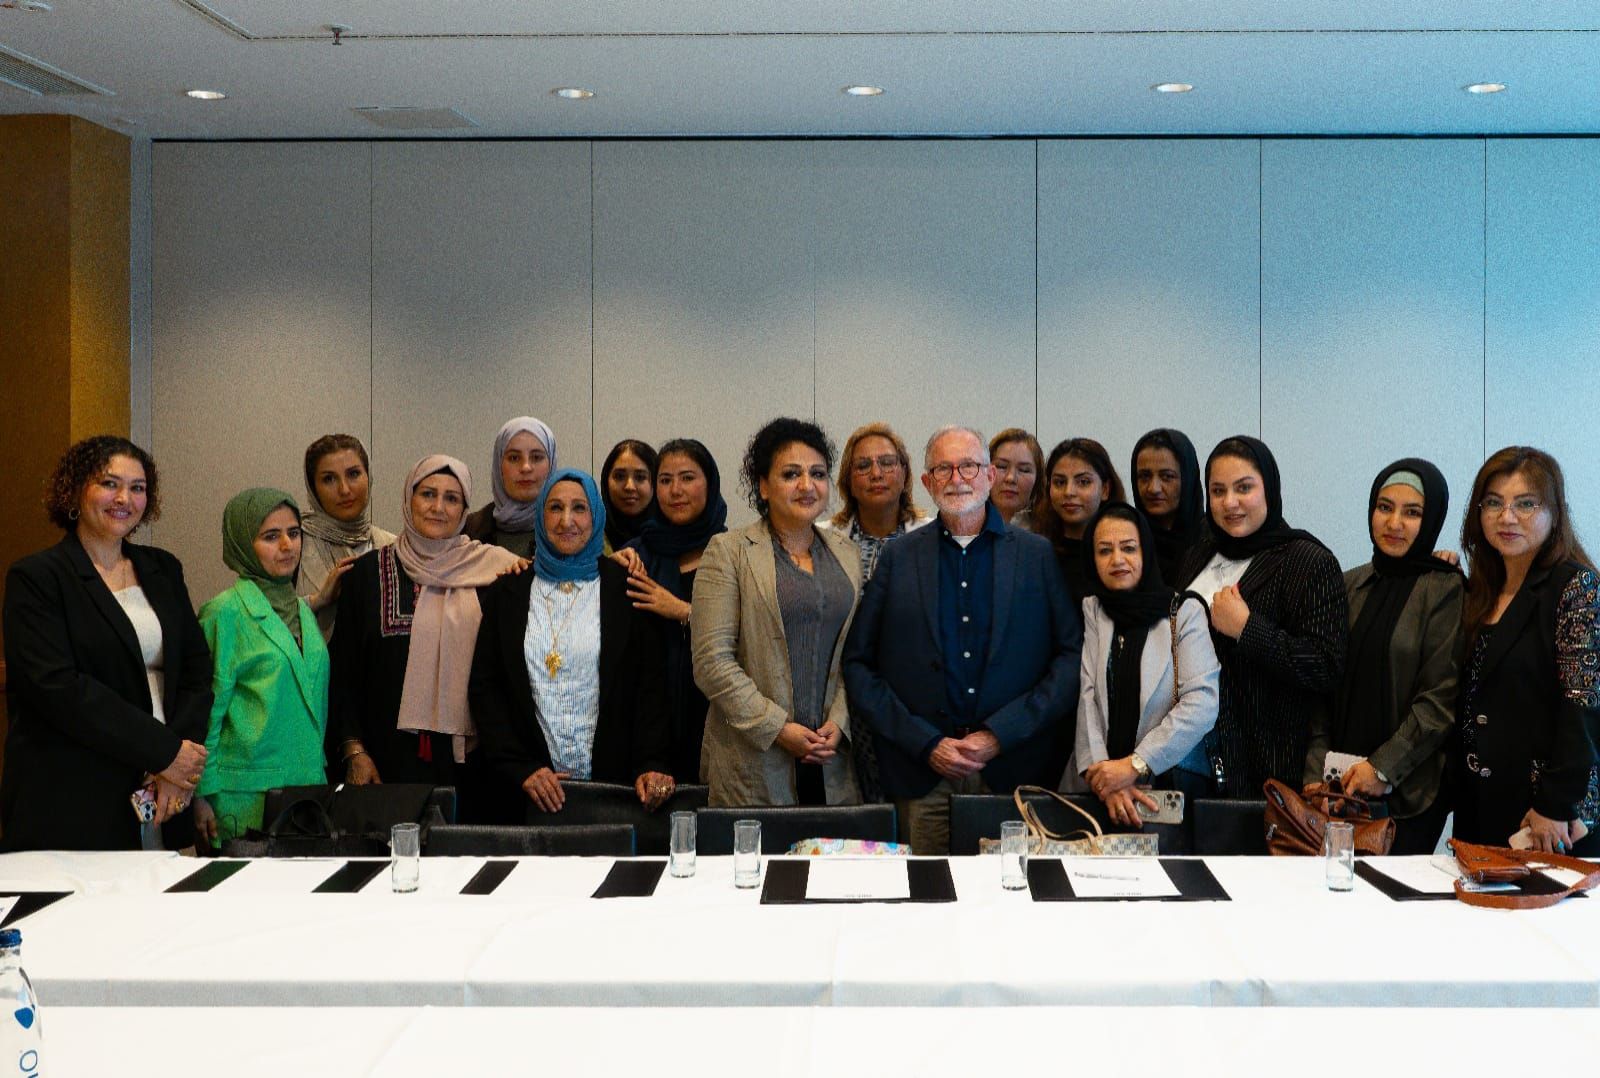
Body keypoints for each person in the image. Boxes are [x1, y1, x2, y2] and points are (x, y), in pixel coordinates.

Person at [843, 425, 1082, 854]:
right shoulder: (899, 557)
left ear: (989, 476)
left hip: (1013, 771)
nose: (957, 479)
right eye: (944, 469)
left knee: (1011, 889)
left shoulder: (1035, 555)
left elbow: (1069, 659)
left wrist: (1001, 734)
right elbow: (859, 664)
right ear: (927, 481)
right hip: (923, 775)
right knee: (926, 889)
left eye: (969, 466)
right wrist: (925, 743)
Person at [1, 436, 211, 851]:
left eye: (137, 488)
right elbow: (59, 689)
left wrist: (176, 764)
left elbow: (196, 670)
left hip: (161, 788)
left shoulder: (163, 568)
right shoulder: (37, 577)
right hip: (75, 794)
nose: (124, 499)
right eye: (109, 484)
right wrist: (163, 751)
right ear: (76, 490)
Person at [328, 454, 523, 822]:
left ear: (465, 510)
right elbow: (344, 675)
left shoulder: (498, 573)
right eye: (428, 494)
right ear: (409, 498)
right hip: (386, 765)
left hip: (477, 768)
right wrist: (354, 751)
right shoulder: (366, 575)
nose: (438, 507)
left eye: (452, 498)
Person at [471, 469, 676, 816]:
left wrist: (651, 762)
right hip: (527, 794)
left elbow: (651, 687)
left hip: (615, 790)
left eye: (579, 508)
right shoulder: (508, 591)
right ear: (540, 517)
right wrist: (521, 767)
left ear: (596, 516)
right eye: (555, 508)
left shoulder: (626, 588)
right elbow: (485, 688)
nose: (567, 521)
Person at [692, 418, 862, 806]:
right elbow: (712, 663)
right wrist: (778, 728)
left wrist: (840, 721)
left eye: (817, 474)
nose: (807, 485)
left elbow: (856, 654)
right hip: (755, 756)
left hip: (832, 758)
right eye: (791, 474)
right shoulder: (728, 551)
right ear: (764, 486)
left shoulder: (847, 554)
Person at [1303, 460, 1462, 855]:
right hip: (1335, 791)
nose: (1394, 523)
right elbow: (1321, 686)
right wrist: (1316, 774)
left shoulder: (1445, 589)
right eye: (1384, 507)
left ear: (1431, 519)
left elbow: (1439, 699)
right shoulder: (1348, 584)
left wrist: (1381, 769)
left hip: (1408, 796)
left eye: (1412, 512)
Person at [1175, 436, 1346, 797]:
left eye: (1244, 488)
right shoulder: (1198, 553)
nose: (1230, 502)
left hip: (1265, 766)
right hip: (1192, 759)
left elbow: (1326, 666)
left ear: (1269, 488)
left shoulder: (1308, 561)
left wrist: (1247, 629)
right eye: (1218, 491)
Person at [1453, 447, 1600, 855]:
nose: (1507, 517)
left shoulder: (1575, 587)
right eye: (1493, 503)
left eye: (1526, 504)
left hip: (1547, 816)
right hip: (1480, 801)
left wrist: (1555, 803)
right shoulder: (1480, 590)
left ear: (1554, 513)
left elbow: (1584, 705)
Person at [1066, 503, 1219, 821]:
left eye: (1128, 548)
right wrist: (1106, 777)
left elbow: (1202, 702)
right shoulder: (1095, 609)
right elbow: (1088, 696)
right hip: (1102, 790)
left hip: (1166, 785)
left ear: (1146, 552)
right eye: (1104, 550)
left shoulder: (1184, 611)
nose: (1117, 560)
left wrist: (1134, 765)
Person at [194, 488, 329, 845]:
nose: (287, 545)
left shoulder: (301, 610)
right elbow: (205, 713)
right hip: (242, 798)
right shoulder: (224, 612)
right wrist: (201, 793)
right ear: (243, 543)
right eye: (271, 536)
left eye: (294, 533)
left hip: (308, 791)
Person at [612, 439, 728, 783]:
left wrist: (683, 611)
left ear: (710, 483)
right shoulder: (635, 555)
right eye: (665, 480)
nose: (675, 490)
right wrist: (606, 570)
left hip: (715, 716)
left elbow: (750, 638)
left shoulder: (734, 554)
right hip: (646, 725)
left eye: (687, 478)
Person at [824, 422, 929, 801]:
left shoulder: (932, 535)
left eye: (887, 463)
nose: (876, 473)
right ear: (848, 481)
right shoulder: (823, 538)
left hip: (912, 697)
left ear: (905, 474)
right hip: (841, 692)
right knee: (855, 803)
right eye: (863, 465)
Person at [296, 434, 396, 642]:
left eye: (353, 474)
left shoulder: (394, 547)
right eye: (329, 479)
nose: (344, 489)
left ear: (368, 476)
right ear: (313, 488)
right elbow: (262, 624)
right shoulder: (293, 547)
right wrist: (316, 601)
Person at [1036, 437, 1127, 606]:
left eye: (1083, 482)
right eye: (1060, 482)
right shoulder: (1035, 553)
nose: (1069, 492)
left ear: (1105, 490)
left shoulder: (1124, 554)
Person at [463, 417, 556, 557]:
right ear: (499, 465)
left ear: (551, 464)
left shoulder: (569, 529)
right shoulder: (467, 531)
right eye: (514, 458)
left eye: (536, 457)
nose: (526, 467)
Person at [1131, 428, 1204, 585]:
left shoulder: (1213, 541)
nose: (1153, 488)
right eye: (1144, 476)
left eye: (1167, 477)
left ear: (1188, 479)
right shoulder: (1126, 540)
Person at [600, 438, 658, 555]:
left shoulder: (674, 538)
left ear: (656, 483)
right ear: (606, 482)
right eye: (620, 476)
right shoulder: (587, 537)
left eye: (640, 477)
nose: (629, 487)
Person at [988, 428, 1044, 529]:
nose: (1010, 478)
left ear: (1037, 479)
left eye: (1024, 470)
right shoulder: (965, 527)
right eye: (1001, 466)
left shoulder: (1049, 533)